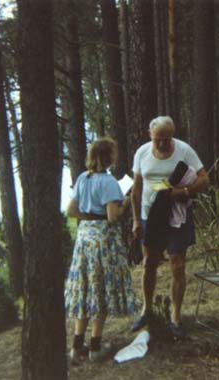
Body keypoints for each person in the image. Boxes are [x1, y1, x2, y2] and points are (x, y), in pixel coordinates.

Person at [130, 116, 209, 338]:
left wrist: (183, 193)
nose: (163, 144)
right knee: (149, 264)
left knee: (177, 264)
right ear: (150, 135)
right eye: (158, 139)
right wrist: (136, 220)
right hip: (149, 215)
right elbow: (136, 190)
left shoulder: (184, 150)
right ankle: (146, 309)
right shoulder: (142, 153)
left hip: (177, 216)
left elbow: (205, 179)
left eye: (167, 139)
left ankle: (175, 316)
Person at [65, 137, 135, 363]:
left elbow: (71, 210)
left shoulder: (82, 178)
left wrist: (90, 218)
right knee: (100, 291)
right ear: (109, 157)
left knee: (85, 291)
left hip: (84, 240)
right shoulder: (109, 182)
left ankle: (76, 347)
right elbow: (113, 217)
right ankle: (95, 347)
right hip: (103, 243)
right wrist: (126, 200)